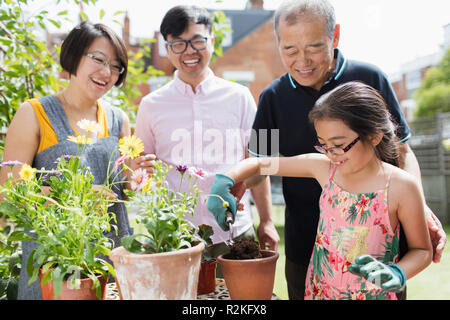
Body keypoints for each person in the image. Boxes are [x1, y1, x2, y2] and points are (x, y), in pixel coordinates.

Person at [244, 0, 445, 300]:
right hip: (309, 248)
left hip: (379, 250)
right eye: (289, 50)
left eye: (313, 47)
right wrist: (239, 184)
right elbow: (258, 165)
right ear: (278, 42)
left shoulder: (370, 78)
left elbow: (402, 150)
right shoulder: (272, 97)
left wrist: (419, 206)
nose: (302, 61)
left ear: (334, 36)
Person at [209, 81, 432, 300]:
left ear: (374, 135)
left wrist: (398, 273)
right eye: (323, 145)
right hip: (320, 291)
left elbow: (422, 250)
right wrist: (226, 179)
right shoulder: (325, 169)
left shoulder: (401, 186)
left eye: (339, 144)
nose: (331, 154)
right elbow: (260, 164)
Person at [0, 21, 154, 299]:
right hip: (53, 266)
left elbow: (122, 192)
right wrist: (77, 195)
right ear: (73, 56)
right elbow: (9, 194)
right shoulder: (33, 113)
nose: (107, 72)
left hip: (108, 261)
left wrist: (136, 179)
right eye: (98, 59)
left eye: (116, 65)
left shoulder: (118, 119)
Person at [134, 5, 279, 276]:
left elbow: (264, 163)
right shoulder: (150, 105)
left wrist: (268, 220)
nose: (189, 51)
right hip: (175, 235)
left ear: (212, 41)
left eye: (197, 41)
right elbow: (140, 172)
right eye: (177, 43)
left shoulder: (241, 96)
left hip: (236, 231)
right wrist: (137, 171)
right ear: (167, 48)